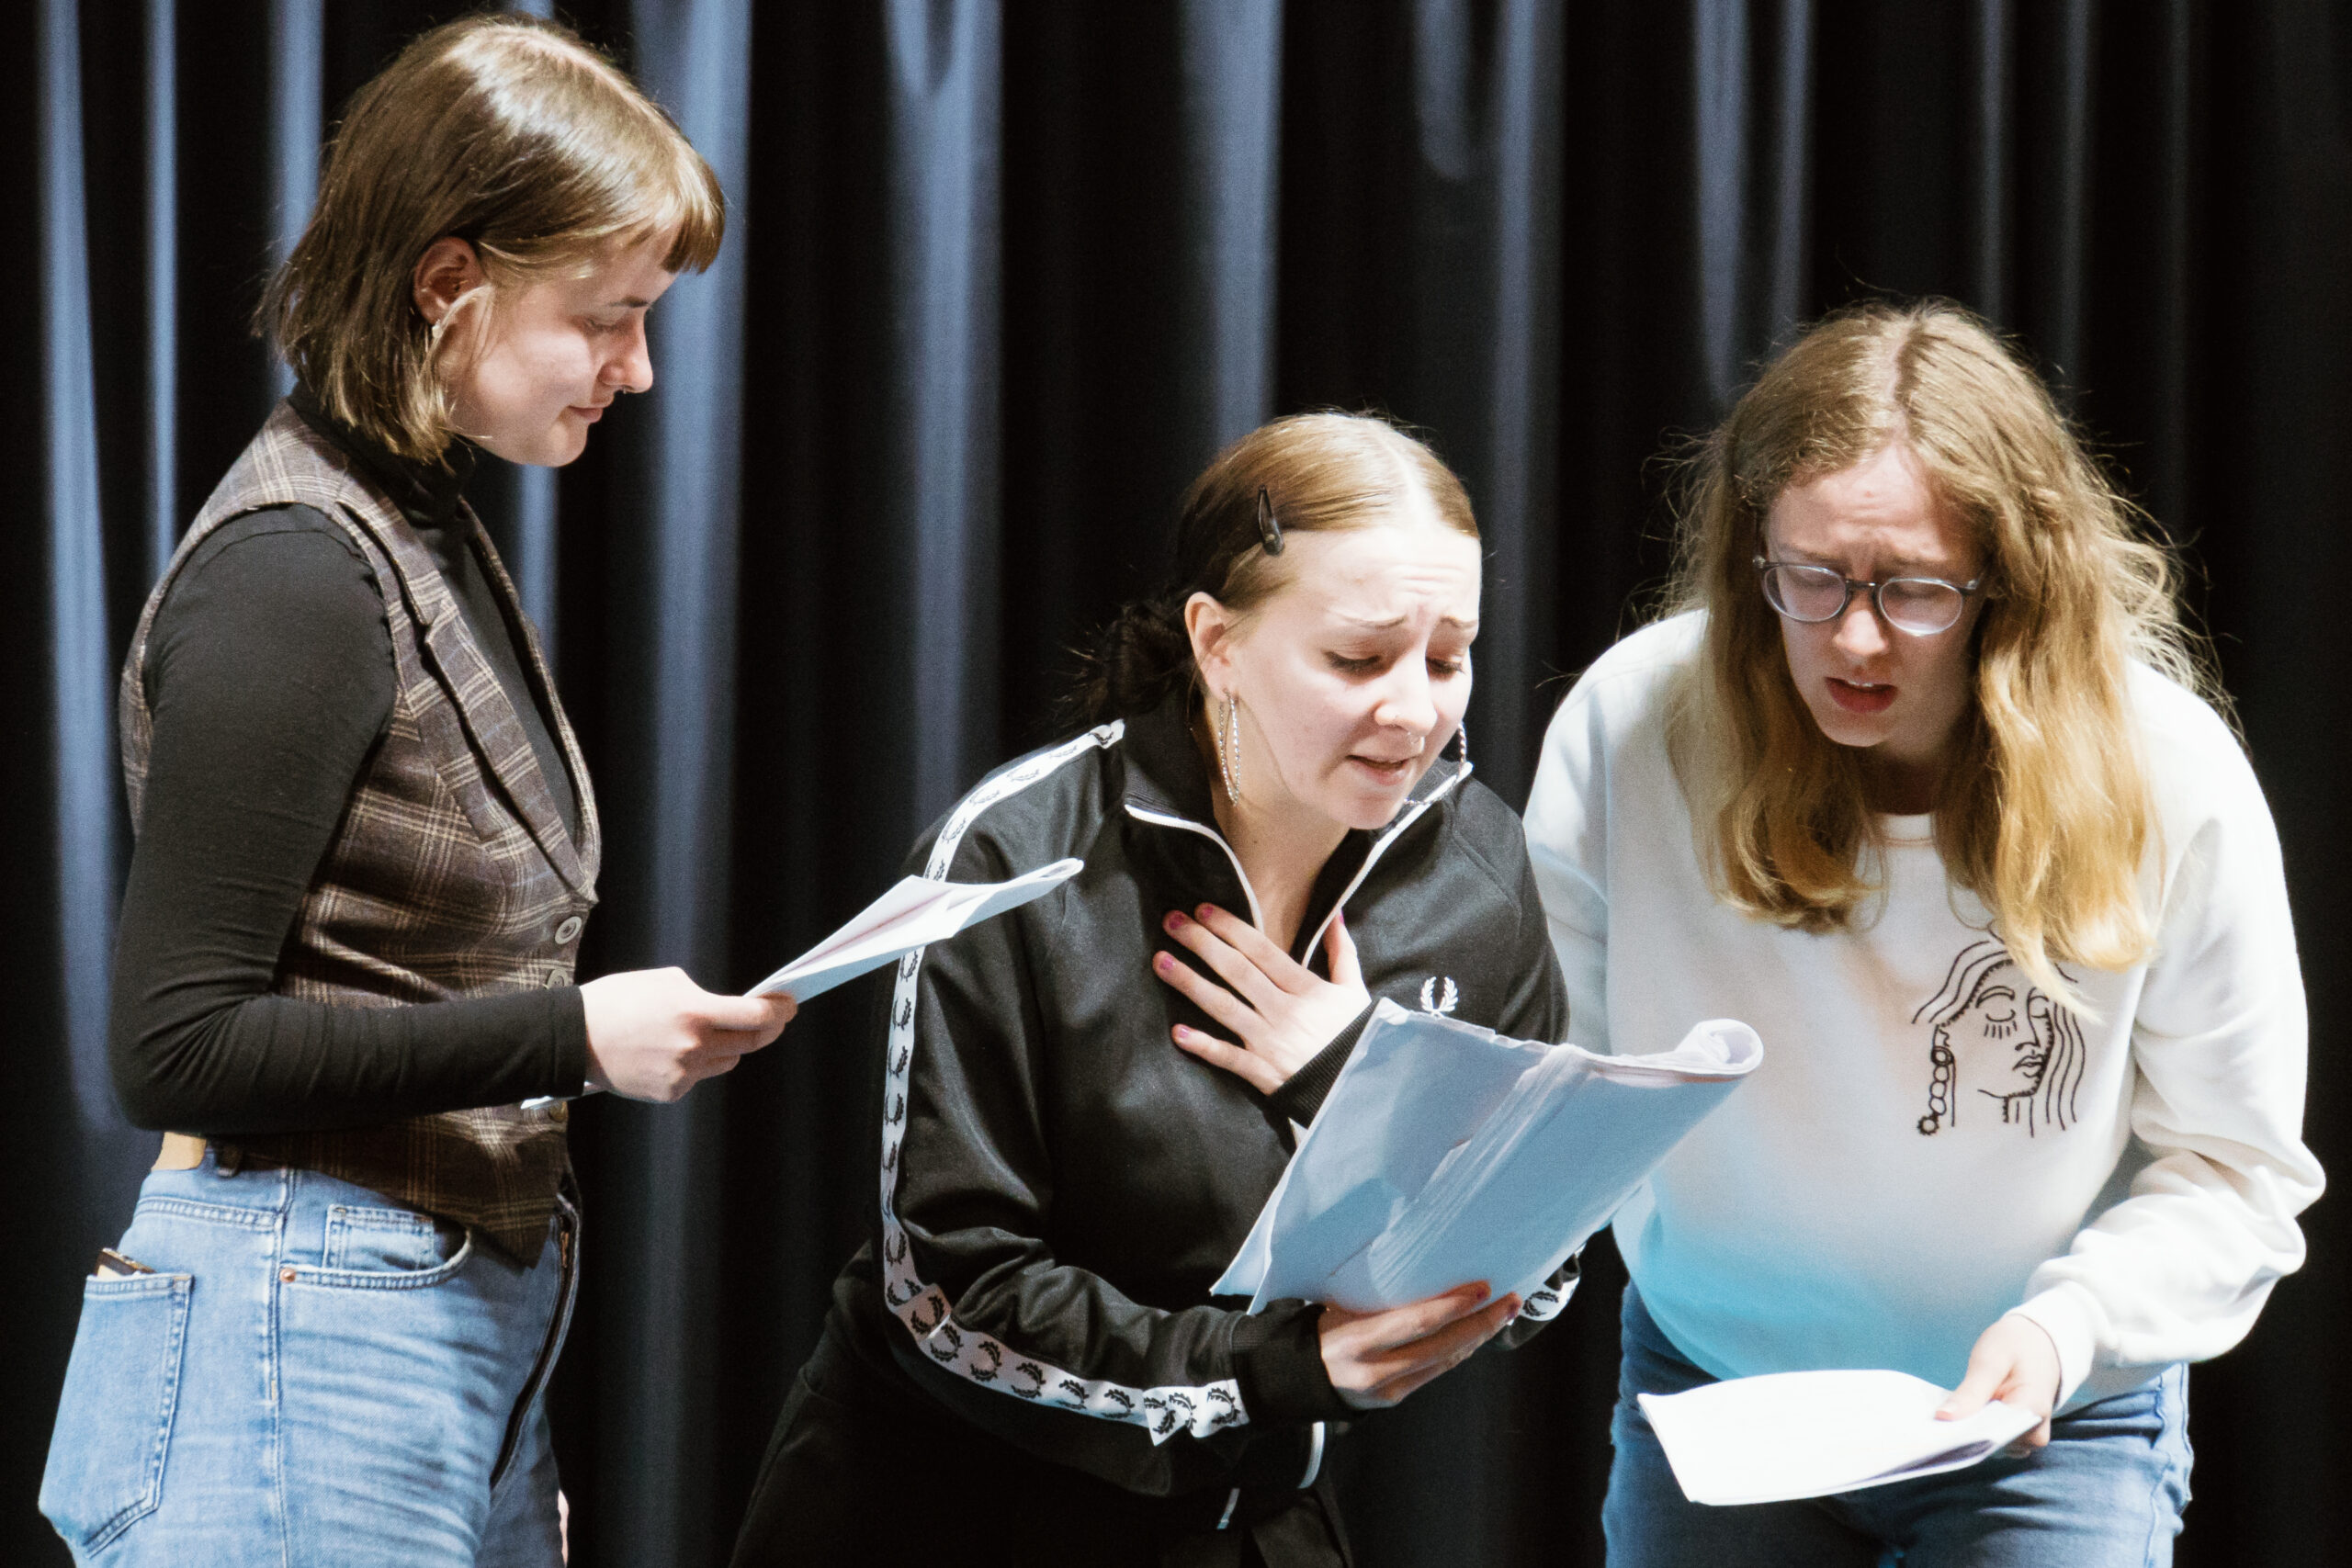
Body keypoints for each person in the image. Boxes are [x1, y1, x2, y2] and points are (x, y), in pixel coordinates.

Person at [39, 17, 793, 1566]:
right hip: (291, 1325)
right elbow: (174, 1044)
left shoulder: (413, 522)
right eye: (607, 317)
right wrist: (576, 1034)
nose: (637, 368)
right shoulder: (298, 570)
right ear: (451, 283)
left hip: (399, 1335)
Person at [1523, 299, 2323, 1566]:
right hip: (1725, 1383)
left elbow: (2237, 1169)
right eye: (1812, 577)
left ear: (2011, 583)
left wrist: (2072, 1326)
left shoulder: (2169, 771)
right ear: (1752, 557)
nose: (1851, 634)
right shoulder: (1636, 725)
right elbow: (1553, 1091)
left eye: (1912, 590)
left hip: (2052, 1409)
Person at [732, 413, 1576, 1568]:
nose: (1416, 711)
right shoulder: (1016, 859)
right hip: (949, 1512)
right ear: (1217, 643)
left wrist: (1361, 1081)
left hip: (1246, 1519)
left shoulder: (1476, 871)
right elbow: (948, 1295)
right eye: (1358, 658)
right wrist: (1270, 1374)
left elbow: (1537, 1273)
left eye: (1448, 656)